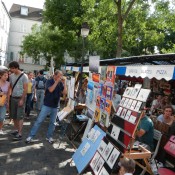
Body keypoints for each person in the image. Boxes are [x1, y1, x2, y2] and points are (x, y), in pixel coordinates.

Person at [25, 70, 67, 144]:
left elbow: (64, 93)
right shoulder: (49, 81)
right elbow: (50, 90)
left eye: (60, 76)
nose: (59, 78)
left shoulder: (60, 83)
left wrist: (64, 83)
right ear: (55, 75)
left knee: (52, 123)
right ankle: (30, 136)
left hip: (55, 106)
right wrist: (57, 82)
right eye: (58, 76)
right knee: (39, 121)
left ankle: (49, 136)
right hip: (47, 105)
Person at [8, 61, 28, 140]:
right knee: (14, 115)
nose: (11, 70)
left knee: (19, 116)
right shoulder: (11, 76)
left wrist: (22, 99)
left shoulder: (24, 76)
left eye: (12, 69)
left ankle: (20, 133)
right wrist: (8, 99)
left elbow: (25, 89)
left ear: (16, 68)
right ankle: (16, 130)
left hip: (20, 98)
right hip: (13, 98)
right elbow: (10, 87)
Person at [0, 70, 10, 134]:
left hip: (3, 102)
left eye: (7, 75)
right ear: (0, 75)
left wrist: (8, 102)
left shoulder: (8, 83)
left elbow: (9, 93)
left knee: (2, 117)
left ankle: (0, 129)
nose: (6, 77)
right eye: (5, 75)